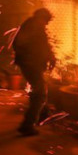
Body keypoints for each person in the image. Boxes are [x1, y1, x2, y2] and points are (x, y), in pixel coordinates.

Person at [12, 8, 56, 136]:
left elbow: (43, 45)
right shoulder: (33, 26)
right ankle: (27, 125)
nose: (47, 23)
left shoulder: (34, 25)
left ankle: (41, 115)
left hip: (32, 65)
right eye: (46, 20)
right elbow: (20, 44)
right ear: (42, 17)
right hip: (31, 65)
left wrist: (50, 57)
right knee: (40, 93)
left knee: (39, 90)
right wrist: (30, 60)